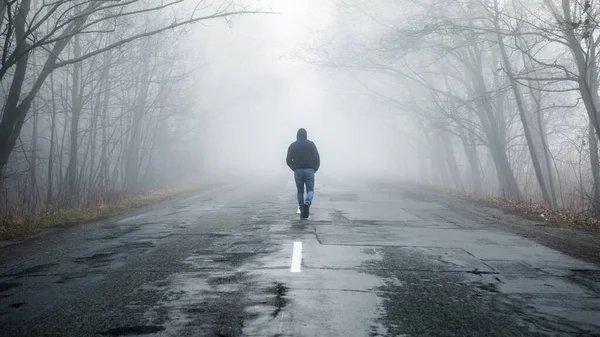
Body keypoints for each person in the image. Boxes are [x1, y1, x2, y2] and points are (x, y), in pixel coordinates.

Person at [286, 128, 320, 219]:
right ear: (306, 135)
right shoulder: (311, 144)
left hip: (298, 171)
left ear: (297, 135)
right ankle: (307, 203)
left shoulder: (292, 146)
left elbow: (288, 160)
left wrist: (294, 168)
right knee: (310, 190)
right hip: (309, 170)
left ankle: (302, 210)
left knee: (300, 191)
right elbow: (317, 157)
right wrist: (314, 169)